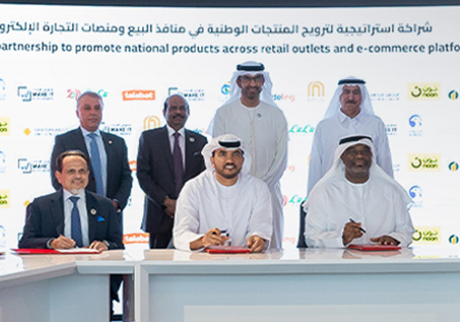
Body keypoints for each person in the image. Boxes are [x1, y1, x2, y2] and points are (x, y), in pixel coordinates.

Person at [304, 134, 421, 322]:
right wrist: (341, 237)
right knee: (336, 302)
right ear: (342, 157)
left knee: (398, 299)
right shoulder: (324, 192)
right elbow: (311, 237)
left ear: (371, 157)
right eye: (353, 151)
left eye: (364, 151)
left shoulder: (390, 191)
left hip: (383, 269)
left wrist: (393, 238)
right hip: (338, 271)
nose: (359, 156)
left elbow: (406, 230)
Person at [171, 135, 279, 322]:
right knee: (190, 307)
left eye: (235, 154)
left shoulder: (258, 188)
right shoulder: (194, 187)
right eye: (222, 154)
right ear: (212, 159)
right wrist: (202, 239)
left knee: (274, 303)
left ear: (243, 159)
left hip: (247, 270)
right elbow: (181, 233)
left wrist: (258, 238)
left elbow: (262, 226)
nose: (229, 160)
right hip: (203, 271)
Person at [208, 61, 288, 249]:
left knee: (269, 246)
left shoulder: (276, 115)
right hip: (233, 194)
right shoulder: (224, 114)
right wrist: (242, 187)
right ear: (238, 82)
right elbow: (219, 155)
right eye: (247, 79)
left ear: (263, 82)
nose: (252, 84)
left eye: (257, 79)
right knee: (234, 245)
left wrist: (262, 187)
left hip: (269, 192)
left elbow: (281, 158)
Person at [136, 94, 208, 249]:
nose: (178, 112)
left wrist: (184, 204)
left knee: (190, 261)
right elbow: (143, 175)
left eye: (182, 108)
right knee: (158, 261)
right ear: (164, 112)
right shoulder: (149, 138)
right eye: (173, 108)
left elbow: (204, 176)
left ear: (188, 112)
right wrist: (166, 202)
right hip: (159, 215)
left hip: (192, 216)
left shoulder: (200, 141)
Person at [20, 150, 124, 252]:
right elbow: (25, 242)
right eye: (71, 171)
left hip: (94, 262)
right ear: (59, 176)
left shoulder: (105, 205)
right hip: (56, 262)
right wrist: (51, 243)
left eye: (82, 171)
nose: (78, 176)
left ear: (88, 174)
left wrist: (105, 245)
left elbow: (118, 244)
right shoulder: (40, 206)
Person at [50, 91, 134, 212]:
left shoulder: (117, 143)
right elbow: (57, 178)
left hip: (111, 213)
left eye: (97, 108)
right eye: (87, 108)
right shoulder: (64, 142)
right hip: (78, 213)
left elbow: (126, 178)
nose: (93, 112)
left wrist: (117, 203)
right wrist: (79, 202)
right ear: (77, 113)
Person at [307, 77, 393, 194]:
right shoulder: (324, 127)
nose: (351, 97)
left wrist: (388, 194)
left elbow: (384, 162)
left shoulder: (375, 125)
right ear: (339, 96)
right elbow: (316, 165)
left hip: (368, 193)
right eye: (347, 92)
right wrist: (313, 196)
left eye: (356, 92)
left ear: (362, 96)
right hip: (332, 193)